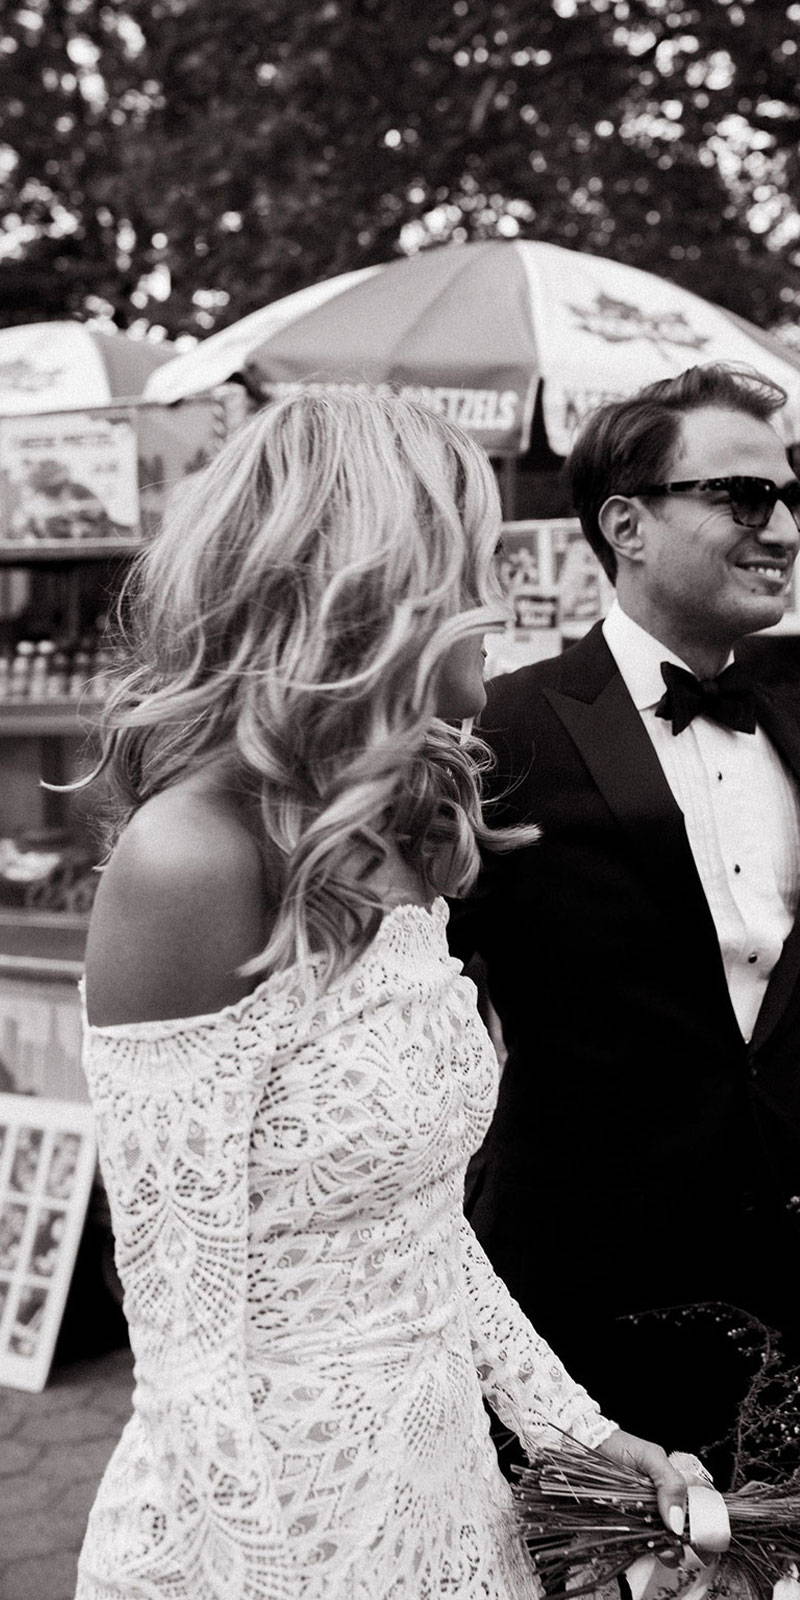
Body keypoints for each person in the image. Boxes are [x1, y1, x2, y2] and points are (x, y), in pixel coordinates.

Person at [75, 387, 686, 1600]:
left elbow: (417, 1234)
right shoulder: (188, 863)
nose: (501, 603)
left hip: (443, 1505)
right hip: (261, 1542)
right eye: (477, 561)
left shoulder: (400, 834)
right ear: (380, 588)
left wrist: (576, 1432)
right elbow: (187, 1362)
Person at [451, 363, 800, 1479]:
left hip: (792, 1303)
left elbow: (791, 1028)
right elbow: (415, 1010)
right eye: (742, 498)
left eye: (793, 500)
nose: (783, 530)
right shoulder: (501, 730)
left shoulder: (796, 740)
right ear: (627, 525)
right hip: (583, 1301)